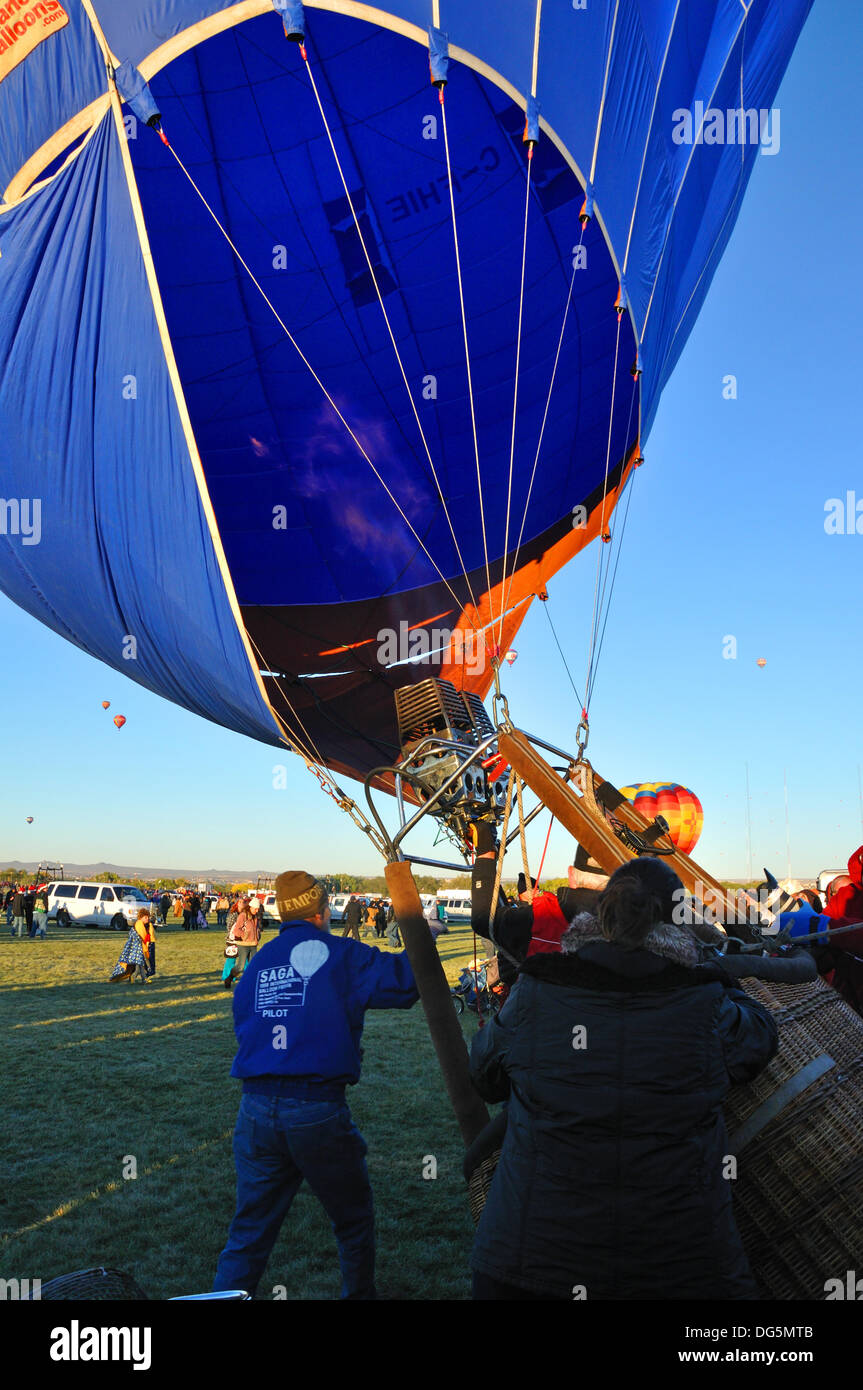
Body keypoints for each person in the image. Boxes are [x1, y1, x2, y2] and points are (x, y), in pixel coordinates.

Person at [468, 858, 779, 1300]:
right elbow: (760, 1041)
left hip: (528, 1263)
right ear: (677, 923)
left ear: (601, 916)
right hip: (678, 1269)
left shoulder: (534, 992)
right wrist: (717, 975)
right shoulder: (707, 1004)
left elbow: (485, 1077)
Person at [212, 870, 419, 1299]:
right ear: (323, 911)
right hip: (316, 1108)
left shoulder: (257, 967)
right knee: (352, 1218)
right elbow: (407, 982)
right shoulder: (341, 954)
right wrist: (420, 933)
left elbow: (245, 1026)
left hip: (254, 1108)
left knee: (250, 1229)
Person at [109, 909, 153, 985]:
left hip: (137, 948)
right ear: (141, 917)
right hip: (136, 948)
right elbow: (143, 937)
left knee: (139, 964)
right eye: (146, 917)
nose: (147, 919)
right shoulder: (139, 924)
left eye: (148, 917)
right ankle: (138, 978)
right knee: (139, 963)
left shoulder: (143, 924)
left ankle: (143, 979)